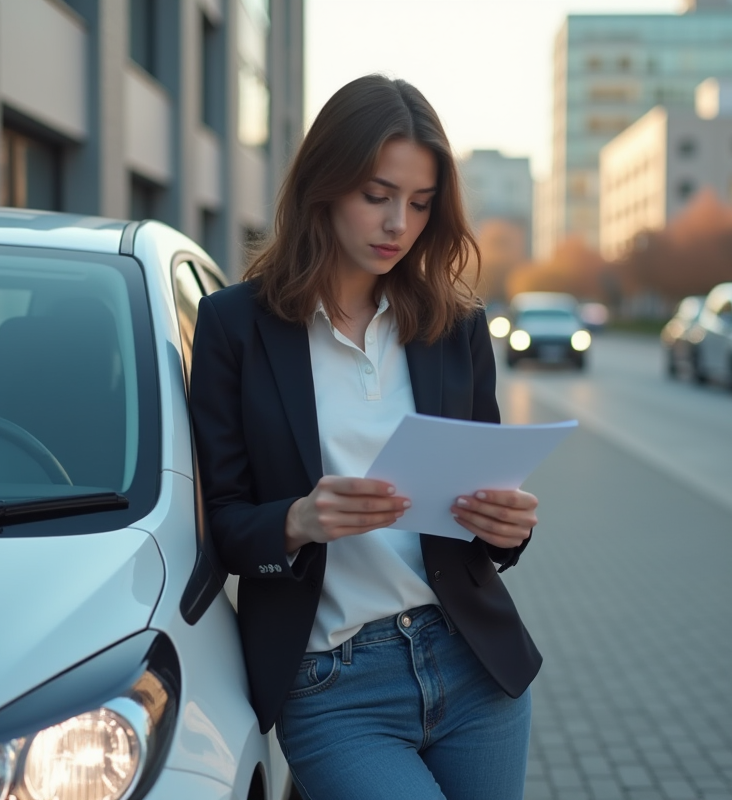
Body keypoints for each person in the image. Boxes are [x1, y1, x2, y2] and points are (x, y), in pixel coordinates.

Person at [189, 74, 543, 799]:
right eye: (376, 196)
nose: (398, 225)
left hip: (472, 664)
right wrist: (296, 521)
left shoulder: (457, 326)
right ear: (325, 185)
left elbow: (480, 507)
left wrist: (508, 527)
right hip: (331, 684)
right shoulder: (234, 328)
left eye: (419, 204)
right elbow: (220, 523)